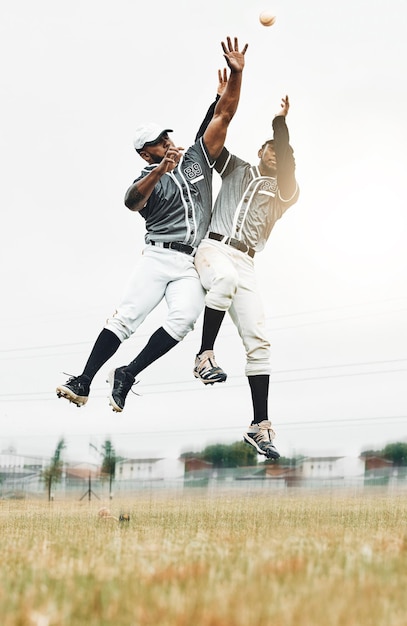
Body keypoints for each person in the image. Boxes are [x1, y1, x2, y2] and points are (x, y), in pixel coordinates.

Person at [56, 36, 248, 413]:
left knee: (185, 319)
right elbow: (131, 202)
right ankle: (84, 381)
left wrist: (238, 75)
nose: (168, 142)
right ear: (147, 152)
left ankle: (128, 373)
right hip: (158, 258)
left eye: (167, 136)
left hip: (189, 263)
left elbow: (224, 114)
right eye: (159, 142)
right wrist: (161, 168)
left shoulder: (195, 158)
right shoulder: (150, 176)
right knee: (126, 318)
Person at [193, 86, 299, 460]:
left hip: (247, 261)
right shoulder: (237, 167)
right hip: (214, 247)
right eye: (270, 147)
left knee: (260, 342)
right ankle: (205, 355)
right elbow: (203, 146)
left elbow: (285, 156)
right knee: (223, 280)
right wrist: (217, 100)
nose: (275, 153)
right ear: (259, 151)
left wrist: (280, 124)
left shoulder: (287, 190)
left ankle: (260, 424)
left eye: (281, 151)